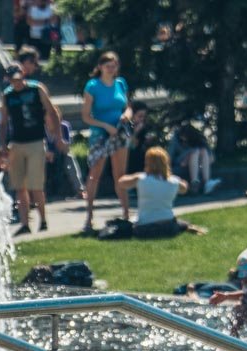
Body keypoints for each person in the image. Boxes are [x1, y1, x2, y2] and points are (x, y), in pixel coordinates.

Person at [0, 50, 65, 235]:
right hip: (17, 143)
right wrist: (3, 144)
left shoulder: (37, 89)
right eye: (13, 80)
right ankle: (25, 222)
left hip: (36, 141)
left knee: (36, 185)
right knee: (19, 186)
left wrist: (57, 137)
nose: (17, 83)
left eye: (19, 79)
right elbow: (3, 122)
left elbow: (52, 112)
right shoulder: (7, 95)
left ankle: (43, 220)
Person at [81, 51, 132, 233]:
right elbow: (86, 116)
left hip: (119, 132)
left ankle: (126, 213)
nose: (111, 69)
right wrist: (105, 126)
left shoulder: (120, 83)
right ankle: (89, 217)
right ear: (100, 67)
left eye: (114, 66)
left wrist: (126, 115)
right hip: (100, 134)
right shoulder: (93, 86)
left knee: (120, 174)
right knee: (95, 174)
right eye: (108, 66)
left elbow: (127, 106)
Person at [116, 146, 200, 238]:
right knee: (181, 223)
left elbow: (121, 182)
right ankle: (190, 227)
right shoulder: (174, 181)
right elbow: (184, 189)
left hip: (145, 228)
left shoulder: (140, 178)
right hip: (169, 227)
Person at [169, 123, 220, 195]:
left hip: (196, 161)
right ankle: (194, 182)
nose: (183, 140)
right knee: (195, 152)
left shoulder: (199, 139)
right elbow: (170, 156)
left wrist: (201, 163)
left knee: (203, 151)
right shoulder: (176, 139)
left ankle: (207, 183)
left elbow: (211, 158)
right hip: (181, 161)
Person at [125, 100, 159, 175]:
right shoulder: (127, 127)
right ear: (132, 116)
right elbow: (130, 146)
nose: (142, 119)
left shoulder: (144, 127)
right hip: (129, 162)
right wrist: (136, 132)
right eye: (140, 116)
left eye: (144, 116)